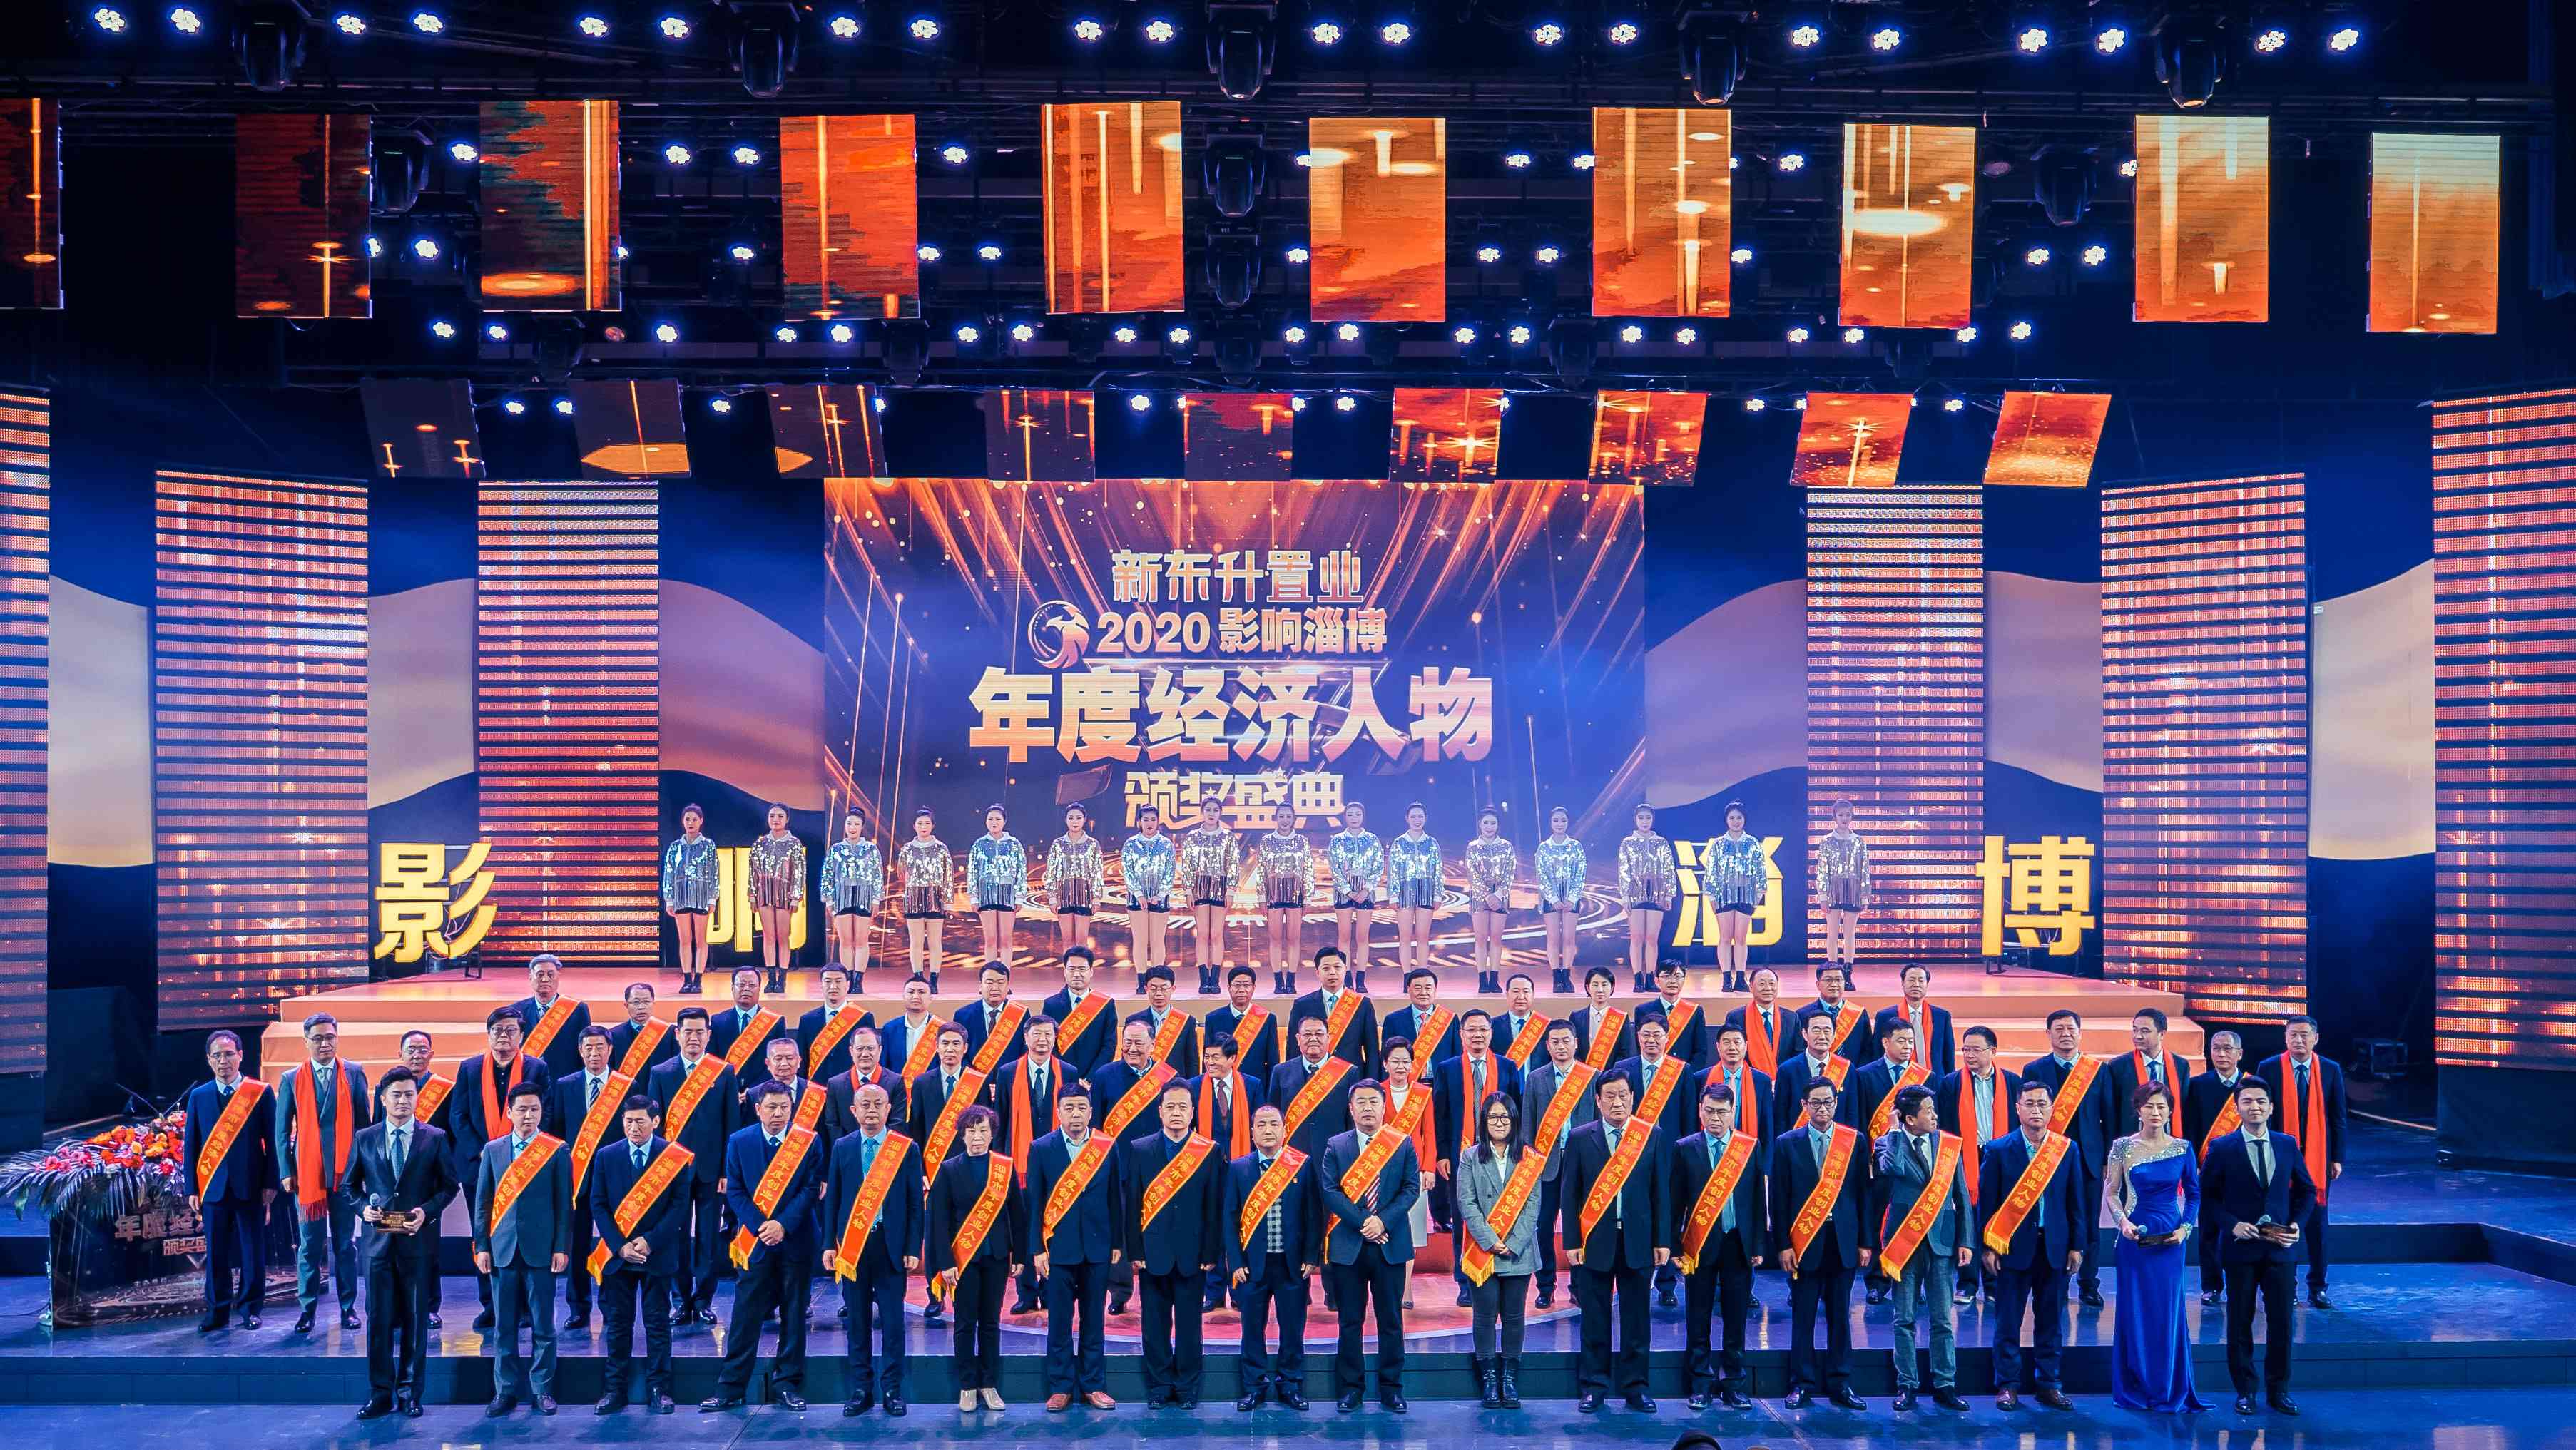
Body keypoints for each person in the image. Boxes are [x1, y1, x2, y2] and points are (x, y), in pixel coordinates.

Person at [344, 1067, 457, 1421]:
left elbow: (449, 1187)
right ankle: (380, 1394)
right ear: (383, 1099)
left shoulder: (434, 1137)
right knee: (378, 1320)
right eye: (396, 1095)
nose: (403, 1100)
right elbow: (349, 1187)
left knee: (415, 1320)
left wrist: (427, 1212)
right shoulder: (364, 1137)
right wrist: (363, 1210)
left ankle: (410, 1393)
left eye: (410, 1094)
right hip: (377, 1246)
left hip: (416, 1244)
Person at [706, 1079, 825, 1412]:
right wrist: (763, 1227)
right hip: (755, 1242)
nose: (778, 1114)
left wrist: (782, 1225)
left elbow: (810, 1189)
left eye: (784, 1107)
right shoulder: (739, 1141)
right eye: (771, 1107)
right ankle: (731, 1387)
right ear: (758, 1109)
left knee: (794, 1315)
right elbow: (735, 1191)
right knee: (745, 1315)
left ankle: (787, 1384)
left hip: (796, 1239)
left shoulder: (808, 1141)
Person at [2202, 1078, 2316, 1417]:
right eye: (2248, 1102)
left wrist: (2296, 1224)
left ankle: (2279, 1391)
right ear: (2237, 1108)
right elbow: (2208, 1197)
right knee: (2240, 1321)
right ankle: (2245, 1391)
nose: (2255, 1107)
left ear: (2271, 1107)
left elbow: (2307, 1191)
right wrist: (2231, 1224)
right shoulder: (2222, 1147)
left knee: (2282, 1322)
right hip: (2241, 1249)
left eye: (2261, 1101)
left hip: (2280, 1248)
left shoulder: (2286, 1144)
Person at [1562, 1072, 1668, 1414]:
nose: (1617, 1102)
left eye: (1623, 1094)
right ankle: (1594, 1386)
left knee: (1637, 1319)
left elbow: (1660, 1192)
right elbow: (1570, 1195)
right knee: (1595, 1317)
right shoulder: (1581, 1138)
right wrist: (1572, 1240)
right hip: (1595, 1241)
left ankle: (1636, 1387)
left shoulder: (1650, 1135)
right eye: (1609, 1095)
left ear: (1633, 1097)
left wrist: (1662, 1239)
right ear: (1598, 1100)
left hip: (1639, 1241)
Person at [1980, 1078, 2083, 1411]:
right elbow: (1988, 1204)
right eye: (2030, 1103)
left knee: (2051, 1319)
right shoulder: (1998, 1150)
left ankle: (2049, 1384)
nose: (2036, 1110)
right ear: (2017, 1108)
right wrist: (1988, 1246)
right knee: (2008, 1320)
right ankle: (2007, 1385)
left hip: (2054, 1248)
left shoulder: (2066, 1149)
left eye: (2042, 1103)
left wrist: (2077, 1245)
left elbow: (2075, 1202)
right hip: (2012, 1249)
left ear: (2052, 1109)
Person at [2104, 1081, 2206, 1413]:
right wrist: (2123, 1222)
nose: (2156, 1112)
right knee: (2135, 1310)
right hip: (2134, 1240)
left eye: (2162, 1106)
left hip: (2171, 1241)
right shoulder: (2122, 1147)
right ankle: (2136, 1386)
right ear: (2138, 1110)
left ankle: (2167, 1386)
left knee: (2167, 1311)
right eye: (2149, 1106)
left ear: (2170, 1111)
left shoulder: (2183, 1148)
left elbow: (2194, 1194)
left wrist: (2186, 1229)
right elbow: (2111, 1192)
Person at [1321, 1079, 1420, 1414]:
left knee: (1390, 1320)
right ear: (1351, 1109)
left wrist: (1382, 1222)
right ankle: (1351, 1389)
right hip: (1350, 1245)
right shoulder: (1336, 1145)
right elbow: (1330, 1191)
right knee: (1350, 1321)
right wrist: (1365, 1222)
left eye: (1373, 1101)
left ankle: (1392, 1389)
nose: (1367, 1108)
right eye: (1360, 1102)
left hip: (1390, 1244)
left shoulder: (1401, 1143)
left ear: (1383, 1106)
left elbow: (1411, 1188)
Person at [587, 1094, 689, 1416]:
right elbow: (598, 1204)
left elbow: (679, 1206)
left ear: (655, 1122)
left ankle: (660, 1389)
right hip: (619, 1257)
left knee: (657, 1324)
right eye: (628, 1121)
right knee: (618, 1324)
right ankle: (614, 1389)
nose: (634, 1128)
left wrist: (650, 1241)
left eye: (640, 1122)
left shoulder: (672, 1157)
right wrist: (621, 1246)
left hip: (656, 1254)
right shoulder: (607, 1156)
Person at [823, 1081, 920, 1418]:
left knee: (893, 1324)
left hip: (891, 1247)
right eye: (865, 1105)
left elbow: (914, 1203)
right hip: (853, 1249)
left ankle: (892, 1389)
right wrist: (829, 1244)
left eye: (879, 1104)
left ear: (889, 1109)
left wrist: (912, 1246)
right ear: (854, 1111)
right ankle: (861, 1389)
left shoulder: (904, 1148)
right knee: (858, 1322)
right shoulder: (842, 1147)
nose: (872, 1110)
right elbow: (833, 1200)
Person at [1873, 1084, 1972, 1411]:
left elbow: (1961, 1196)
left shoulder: (1948, 1145)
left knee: (1942, 1319)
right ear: (1909, 1119)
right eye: (1928, 1110)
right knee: (1904, 1319)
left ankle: (1945, 1384)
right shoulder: (1887, 1143)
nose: (1934, 1115)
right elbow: (1893, 1168)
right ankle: (1907, 1385)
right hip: (1904, 1244)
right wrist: (1894, 1132)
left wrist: (1966, 1240)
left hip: (1941, 1242)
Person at [474, 1081, 570, 1416]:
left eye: (535, 1109)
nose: (528, 1116)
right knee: (504, 1327)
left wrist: (561, 1247)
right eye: (522, 1110)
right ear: (510, 1112)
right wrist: (481, 1246)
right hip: (501, 1251)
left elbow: (564, 1204)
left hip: (542, 1251)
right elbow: (483, 1203)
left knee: (544, 1325)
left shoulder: (556, 1150)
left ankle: (542, 1389)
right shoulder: (493, 1150)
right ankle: (505, 1391)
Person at [1126, 1081, 1223, 1409]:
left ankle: (1186, 1387)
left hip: (1193, 1254)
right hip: (1152, 1253)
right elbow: (1133, 1203)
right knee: (1154, 1324)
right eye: (1170, 1106)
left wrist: (1211, 1251)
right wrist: (1135, 1250)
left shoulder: (1208, 1151)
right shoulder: (1140, 1149)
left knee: (1189, 1325)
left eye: (1183, 1106)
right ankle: (1159, 1386)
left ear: (1193, 1112)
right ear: (1160, 1111)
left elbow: (1214, 1206)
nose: (1177, 1113)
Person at [1772, 1078, 1869, 1410]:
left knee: (1841, 1316)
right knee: (1804, 1317)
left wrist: (1865, 1241)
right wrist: (1783, 1244)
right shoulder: (1787, 1144)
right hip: (1804, 1243)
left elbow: (1863, 1195)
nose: (1823, 1109)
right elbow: (1779, 1199)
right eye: (1816, 1103)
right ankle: (1801, 1383)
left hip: (1843, 1242)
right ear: (1804, 1106)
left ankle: (1841, 1382)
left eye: (1828, 1102)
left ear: (1836, 1103)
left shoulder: (1853, 1141)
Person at [1028, 1078, 1124, 1412]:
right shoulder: (1042, 1148)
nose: (1076, 1114)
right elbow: (1035, 1203)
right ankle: (1060, 1387)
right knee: (1059, 1321)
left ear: (1091, 1111)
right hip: (1058, 1250)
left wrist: (1117, 1242)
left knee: (1093, 1320)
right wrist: (1037, 1249)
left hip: (1097, 1247)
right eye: (1069, 1108)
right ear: (1058, 1113)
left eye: (1082, 1108)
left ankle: (1093, 1385)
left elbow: (1116, 1198)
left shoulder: (1106, 1146)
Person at [275, 1010, 372, 1334]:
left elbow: (364, 1127)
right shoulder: (291, 1078)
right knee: (310, 1247)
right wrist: (286, 1170)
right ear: (306, 1042)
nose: (325, 1043)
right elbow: (281, 1132)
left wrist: (364, 1170)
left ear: (337, 1038)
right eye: (317, 1038)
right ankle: (307, 1310)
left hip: (346, 1176)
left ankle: (348, 1309)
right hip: (308, 1176)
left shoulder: (355, 1073)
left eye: (330, 1037)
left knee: (345, 1245)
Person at [1673, 1082, 1765, 1411]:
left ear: (1733, 1112)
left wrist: (1758, 1243)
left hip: (1738, 1243)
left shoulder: (1748, 1147)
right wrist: (1674, 1248)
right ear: (1700, 1111)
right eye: (1709, 1111)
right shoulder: (1685, 1148)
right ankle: (1700, 1383)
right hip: (1698, 1245)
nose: (1715, 1118)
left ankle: (1733, 1383)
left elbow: (1757, 1200)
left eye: (1722, 1112)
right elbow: (1675, 1202)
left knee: (1736, 1317)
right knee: (1697, 1316)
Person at [646, 1006, 740, 1327]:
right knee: (676, 1234)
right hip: (673, 1171)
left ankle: (704, 1300)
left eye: (700, 1032)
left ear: (709, 1035)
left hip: (712, 1170)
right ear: (677, 1034)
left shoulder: (723, 1072)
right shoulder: (661, 1072)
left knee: (707, 1237)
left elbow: (731, 1123)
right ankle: (681, 1300)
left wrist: (728, 1170)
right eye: (688, 1032)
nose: (694, 1038)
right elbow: (655, 1127)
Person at [1226, 1103, 1321, 1412]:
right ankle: (1254, 1387)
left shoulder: (1301, 1165)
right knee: (1252, 1328)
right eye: (1261, 1125)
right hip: (1252, 1266)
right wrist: (1236, 1262)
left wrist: (1311, 1255)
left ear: (1285, 1130)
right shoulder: (1239, 1168)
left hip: (1291, 1264)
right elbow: (1229, 1219)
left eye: (1274, 1125)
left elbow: (1313, 1214)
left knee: (1292, 1327)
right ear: (1252, 1132)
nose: (1268, 1131)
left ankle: (1290, 1384)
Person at [925, 1104, 1020, 1412]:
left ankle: (989, 1384)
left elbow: (1017, 1214)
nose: (977, 1137)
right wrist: (945, 1262)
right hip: (962, 1260)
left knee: (991, 1323)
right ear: (962, 1135)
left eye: (983, 1131)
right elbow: (938, 1221)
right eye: (971, 1131)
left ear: (992, 1135)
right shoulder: (949, 1169)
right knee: (965, 1324)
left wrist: (1019, 1254)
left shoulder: (1004, 1167)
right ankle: (967, 1386)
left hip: (996, 1256)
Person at [181, 1029, 275, 1333]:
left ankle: (251, 1309)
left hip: (251, 1186)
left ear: (241, 1055)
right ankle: (217, 1312)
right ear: (209, 1060)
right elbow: (192, 1144)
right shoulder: (199, 1096)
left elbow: (273, 1141)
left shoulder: (259, 1093)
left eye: (229, 1054)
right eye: (217, 1056)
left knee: (252, 1252)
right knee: (216, 1253)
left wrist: (271, 1182)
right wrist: (192, 1187)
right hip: (213, 1188)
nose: (224, 1061)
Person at [2020, 1009, 2113, 1306]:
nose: (2066, 1034)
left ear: (2080, 1033)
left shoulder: (2097, 1070)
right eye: (2059, 1029)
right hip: (2048, 1158)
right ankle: (2055, 1281)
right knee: (2055, 1221)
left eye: (2071, 1029)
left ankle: (2088, 1283)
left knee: (2089, 1223)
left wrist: (2108, 1158)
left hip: (2088, 1160)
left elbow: (2109, 1117)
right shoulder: (2034, 1069)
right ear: (2048, 1034)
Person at [1454, 1091, 1537, 1409]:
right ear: (1484, 1121)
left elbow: (1533, 1206)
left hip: (1519, 1252)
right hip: (1482, 1252)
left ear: (1514, 1120)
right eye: (1493, 1117)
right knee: (1485, 1315)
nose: (1499, 1123)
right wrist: (1491, 1240)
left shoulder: (1529, 1158)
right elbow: (1467, 1203)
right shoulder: (1470, 1157)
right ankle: (1489, 1379)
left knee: (1514, 1316)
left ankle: (1509, 1379)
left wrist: (1513, 1243)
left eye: (1505, 1117)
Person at [1433, 1009, 1522, 1304]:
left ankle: (1499, 1272)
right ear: (1461, 1034)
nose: (1478, 1035)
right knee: (1464, 1217)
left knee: (1499, 1215)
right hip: (1460, 1156)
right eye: (1471, 1030)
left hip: (1501, 1156)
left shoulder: (1507, 1067)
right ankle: (1465, 1282)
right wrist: (1442, 1154)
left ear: (1491, 1033)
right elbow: (1440, 1115)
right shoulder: (1447, 1069)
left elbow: (1517, 1112)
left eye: (1483, 1029)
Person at [2257, 1015, 2346, 1309]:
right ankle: (2287, 1286)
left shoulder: (2330, 1069)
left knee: (2317, 1226)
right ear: (2285, 1038)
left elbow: (2338, 1117)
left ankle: (2318, 1287)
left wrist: (2337, 1158)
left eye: (2304, 1035)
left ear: (2315, 1038)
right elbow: (2262, 1116)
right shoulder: (2269, 1067)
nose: (2298, 1040)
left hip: (2318, 1160)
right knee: (2282, 1224)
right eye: (2293, 1034)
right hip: (2281, 1158)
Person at [546, 1025, 625, 1330]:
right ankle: (578, 1307)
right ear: (580, 1051)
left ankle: (610, 1304)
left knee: (611, 1241)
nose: (594, 1053)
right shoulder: (565, 1085)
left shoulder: (625, 1086)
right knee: (577, 1244)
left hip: (614, 1181)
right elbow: (555, 1133)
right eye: (588, 1048)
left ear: (610, 1050)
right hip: (576, 1179)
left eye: (600, 1047)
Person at [1936, 1025, 2018, 1305]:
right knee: (1967, 1217)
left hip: (2000, 1156)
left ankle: (1994, 1283)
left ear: (1993, 1051)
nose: (1969, 1055)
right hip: (1964, 1155)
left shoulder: (2012, 1082)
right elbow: (1944, 1126)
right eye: (1965, 1049)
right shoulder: (1950, 1084)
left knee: (1997, 1214)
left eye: (1976, 1049)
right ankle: (1968, 1283)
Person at [1521, 1021, 1598, 1309]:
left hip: (1582, 1164)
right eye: (1555, 1041)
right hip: (1547, 1166)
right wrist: (1530, 1163)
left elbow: (1598, 1122)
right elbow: (1528, 1124)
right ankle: (1545, 1286)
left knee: (1580, 1227)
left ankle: (1578, 1287)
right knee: (1543, 1227)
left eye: (1566, 1040)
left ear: (1576, 1043)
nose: (1561, 1046)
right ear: (1547, 1045)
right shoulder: (1536, 1078)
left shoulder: (1591, 1077)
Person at [994, 1014, 1068, 1313]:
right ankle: (1026, 1293)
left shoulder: (1068, 1071)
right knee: (1023, 1225)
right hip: (1018, 1164)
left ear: (1055, 1039)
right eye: (1036, 1034)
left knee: (1053, 1225)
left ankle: (1051, 1290)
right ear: (1025, 1038)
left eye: (1048, 1034)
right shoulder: (1008, 1072)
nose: (1042, 1040)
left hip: (1056, 1165)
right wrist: (1000, 1163)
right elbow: (1000, 1120)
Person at [2183, 1029, 2250, 1303]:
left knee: (2242, 1227)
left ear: (2239, 1053)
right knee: (2209, 1228)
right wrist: (2194, 1165)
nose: (2221, 1054)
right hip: (2208, 1167)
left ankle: (2241, 1282)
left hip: (2245, 1169)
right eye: (2216, 1049)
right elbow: (2191, 1128)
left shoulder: (2252, 1086)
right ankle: (2211, 1285)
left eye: (2227, 1049)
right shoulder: (2198, 1085)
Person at [1377, 1041, 1440, 1309]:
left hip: (1414, 1172)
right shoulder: (1376, 1091)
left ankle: (1406, 1287)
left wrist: (1429, 1167)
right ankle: (1386, 1286)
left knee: (1411, 1231)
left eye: (1406, 1061)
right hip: (1381, 1171)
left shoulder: (1422, 1094)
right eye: (1395, 1061)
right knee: (1385, 1227)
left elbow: (1430, 1133)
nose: (1401, 1066)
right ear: (1385, 1064)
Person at [1269, 1015, 1356, 1165]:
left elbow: (1352, 1120)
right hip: (1292, 1156)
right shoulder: (1281, 1071)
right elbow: (1273, 1114)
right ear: (1298, 1038)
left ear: (1328, 1038)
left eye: (1319, 1034)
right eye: (1307, 1034)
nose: (1313, 1039)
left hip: (1334, 1154)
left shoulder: (1348, 1072)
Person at [1288, 944, 1380, 1076]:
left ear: (1345, 970)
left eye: (1337, 967)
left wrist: (1371, 1083)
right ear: (1318, 972)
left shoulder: (1362, 1004)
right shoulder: (1302, 1005)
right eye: (1326, 968)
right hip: (1314, 1079)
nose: (1332, 972)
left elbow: (1372, 1051)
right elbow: (1293, 1049)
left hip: (1352, 1077)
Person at [1615, 803, 1679, 991]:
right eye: (1641, 818)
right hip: (1635, 894)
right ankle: (1638, 978)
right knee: (1637, 937)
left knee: (1652, 938)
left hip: (1657, 894)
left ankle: (1651, 978)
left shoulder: (1662, 843)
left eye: (1648, 818)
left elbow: (1669, 869)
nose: (1644, 821)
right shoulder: (1628, 843)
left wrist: (1669, 894)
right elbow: (1623, 870)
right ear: (1635, 820)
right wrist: (1625, 895)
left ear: (1653, 820)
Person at [1702, 800, 1765, 989]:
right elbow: (1711, 871)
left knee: (1741, 938)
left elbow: (1761, 870)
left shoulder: (1753, 843)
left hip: (1746, 896)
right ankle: (1726, 978)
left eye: (1739, 817)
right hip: (1723, 896)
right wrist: (1711, 896)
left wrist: (1759, 894)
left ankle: (1740, 978)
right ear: (1726, 820)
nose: (1736, 821)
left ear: (1745, 819)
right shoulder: (1718, 844)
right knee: (1725, 937)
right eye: (1732, 818)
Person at [1256, 802, 1316, 994]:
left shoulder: (1302, 841)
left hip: (1295, 893)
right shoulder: (1266, 841)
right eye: (1281, 816)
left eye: (1288, 816)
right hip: (1273, 894)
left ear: (1294, 819)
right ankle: (1278, 982)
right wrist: (1261, 896)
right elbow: (1261, 869)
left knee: (1293, 938)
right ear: (1276, 818)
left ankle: (1290, 981)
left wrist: (1308, 897)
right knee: (1275, 939)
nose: (1285, 820)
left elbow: (1308, 869)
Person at [747, 804, 808, 993]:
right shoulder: (760, 844)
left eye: (780, 816)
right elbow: (752, 871)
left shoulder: (794, 843)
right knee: (768, 936)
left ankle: (782, 979)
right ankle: (771, 978)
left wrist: (796, 896)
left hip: (784, 894)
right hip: (764, 892)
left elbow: (799, 872)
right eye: (772, 815)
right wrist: (752, 895)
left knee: (783, 936)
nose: (776, 819)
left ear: (787, 819)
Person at [819, 811, 885, 981]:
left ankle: (858, 982)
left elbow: (878, 875)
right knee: (846, 941)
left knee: (862, 941)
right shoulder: (836, 849)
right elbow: (827, 875)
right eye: (849, 823)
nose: (852, 827)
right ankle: (847, 980)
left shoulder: (871, 849)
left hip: (864, 897)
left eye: (857, 824)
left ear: (862, 826)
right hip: (842, 898)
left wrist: (876, 899)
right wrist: (829, 900)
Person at [1327, 801, 1387, 988]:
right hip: (1343, 893)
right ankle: (1346, 979)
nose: (1354, 818)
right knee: (1344, 937)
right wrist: (1348, 891)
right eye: (1350, 814)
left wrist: (1366, 889)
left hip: (1366, 894)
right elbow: (1334, 868)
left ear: (1363, 817)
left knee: (1362, 938)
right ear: (1345, 817)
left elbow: (1378, 866)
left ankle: (1360, 980)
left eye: (1358, 814)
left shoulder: (1372, 840)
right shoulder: (1337, 840)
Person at [2108, 1007, 2193, 1137]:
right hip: (2132, 1141)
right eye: (2135, 1030)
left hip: (2170, 1140)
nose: (2138, 1036)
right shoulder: (2118, 1066)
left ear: (2162, 1034)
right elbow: (2112, 1112)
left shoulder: (2181, 1065)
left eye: (2145, 1031)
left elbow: (2185, 1108)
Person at [1121, 805, 1182, 987]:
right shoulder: (1131, 844)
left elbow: (1170, 871)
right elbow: (1128, 871)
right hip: (1136, 899)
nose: (1149, 823)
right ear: (1139, 822)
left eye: (1153, 820)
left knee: (1157, 941)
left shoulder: (1166, 844)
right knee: (1140, 941)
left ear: (1158, 822)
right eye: (1145, 819)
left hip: (1160, 899)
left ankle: (1157, 981)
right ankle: (1142, 981)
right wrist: (1138, 894)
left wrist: (1160, 894)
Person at [1178, 811, 1241, 990]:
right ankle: (1204, 980)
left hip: (1221, 886)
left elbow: (1234, 864)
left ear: (1220, 813)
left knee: (1216, 934)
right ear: (1202, 813)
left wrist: (1230, 890)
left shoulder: (1228, 837)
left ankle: (1215, 980)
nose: (1212, 814)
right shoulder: (1192, 837)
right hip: (1200, 886)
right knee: (1203, 934)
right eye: (1208, 810)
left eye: (1215, 810)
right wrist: (1188, 890)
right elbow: (1187, 865)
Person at [663, 803, 721, 993]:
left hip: (702, 896)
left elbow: (714, 872)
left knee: (701, 940)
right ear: (682, 821)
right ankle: (687, 979)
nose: (691, 823)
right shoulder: (675, 847)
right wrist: (669, 899)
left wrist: (712, 898)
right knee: (685, 940)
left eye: (695, 819)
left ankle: (698, 980)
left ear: (701, 821)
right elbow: (669, 873)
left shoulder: (708, 845)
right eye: (687, 819)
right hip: (681, 897)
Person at [1771, 1010, 1850, 1148]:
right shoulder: (1787, 1070)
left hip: (1838, 1147)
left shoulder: (1847, 1069)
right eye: (1816, 1030)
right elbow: (1781, 1116)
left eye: (1827, 1031)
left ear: (1834, 1035)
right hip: (1797, 1146)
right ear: (1805, 1034)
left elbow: (1852, 1113)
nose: (1822, 1036)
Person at [509, 954, 594, 1078]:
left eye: (550, 974)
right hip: (528, 1078)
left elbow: (584, 1048)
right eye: (540, 974)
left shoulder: (577, 1010)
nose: (545, 979)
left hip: (564, 1079)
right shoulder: (517, 1010)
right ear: (530, 978)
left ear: (558, 977)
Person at [896, 808, 955, 986]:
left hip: (935, 897)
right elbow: (901, 874)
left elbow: (948, 876)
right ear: (914, 826)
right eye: (920, 823)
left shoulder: (941, 848)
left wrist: (948, 901)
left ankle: (934, 979)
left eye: (927, 823)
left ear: (933, 826)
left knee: (935, 941)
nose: (924, 826)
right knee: (916, 941)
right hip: (914, 897)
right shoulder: (907, 849)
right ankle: (919, 977)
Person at [1384, 803, 1440, 986]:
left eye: (1420, 816)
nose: (1417, 820)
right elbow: (1392, 870)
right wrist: (1393, 895)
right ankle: (1407, 977)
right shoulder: (1399, 843)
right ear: (1407, 819)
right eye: (1413, 817)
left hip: (1427, 892)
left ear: (1426, 818)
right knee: (1405, 937)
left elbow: (1438, 870)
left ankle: (1422, 977)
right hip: (1404, 893)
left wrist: (1438, 894)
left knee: (1423, 937)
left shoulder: (1431, 843)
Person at [1532, 805, 1586, 994]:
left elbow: (1580, 873)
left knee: (1569, 938)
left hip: (1572, 899)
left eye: (1563, 820)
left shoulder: (1576, 846)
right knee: (1553, 938)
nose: (1560, 824)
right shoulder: (1544, 848)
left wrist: (1572, 897)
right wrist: (1553, 898)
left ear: (1568, 822)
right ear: (1550, 823)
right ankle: (1556, 977)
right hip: (1550, 899)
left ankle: (1567, 975)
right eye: (1556, 820)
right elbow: (1541, 875)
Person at [1042, 944, 1119, 1075]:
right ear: (1065, 971)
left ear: (1091, 971)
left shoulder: (1106, 1005)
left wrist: (1090, 1078)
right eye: (1072, 969)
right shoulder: (1051, 1005)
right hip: (1062, 1077)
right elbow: (1049, 1044)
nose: (1077, 974)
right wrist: (1067, 1075)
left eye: (1082, 969)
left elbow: (1109, 1046)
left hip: (1094, 1079)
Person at [1462, 806, 1515, 994]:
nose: (1489, 827)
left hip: (1500, 897)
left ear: (1498, 825)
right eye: (1486, 823)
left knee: (1496, 938)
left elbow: (1510, 873)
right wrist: (1487, 895)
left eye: (1493, 823)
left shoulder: (1507, 847)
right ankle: (1482, 979)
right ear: (1480, 824)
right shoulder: (1472, 847)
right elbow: (1472, 874)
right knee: (1481, 937)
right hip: (1479, 896)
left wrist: (1498, 895)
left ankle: (1494, 979)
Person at [1696, 1021, 1774, 1148]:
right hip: (1707, 1150)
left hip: (1747, 1151)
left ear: (1746, 1046)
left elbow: (1767, 1127)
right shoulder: (1700, 1079)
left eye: (1737, 1042)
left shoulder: (1762, 1081)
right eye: (1726, 1042)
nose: (1732, 1047)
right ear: (1718, 1047)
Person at [967, 804, 1027, 969]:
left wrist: (1019, 897)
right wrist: (974, 897)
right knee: (990, 940)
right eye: (991, 819)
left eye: (998, 819)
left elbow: (1021, 871)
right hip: (985, 896)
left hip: (1008, 895)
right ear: (986, 821)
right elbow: (972, 872)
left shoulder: (1014, 844)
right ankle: (990, 976)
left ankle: (1005, 976)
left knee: (1006, 940)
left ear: (1004, 821)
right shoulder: (979, 844)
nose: (994, 822)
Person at [1045, 802, 1106, 959]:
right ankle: (1068, 973)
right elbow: (1051, 872)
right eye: (1071, 818)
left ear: (1085, 819)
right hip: (1063, 896)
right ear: (1066, 820)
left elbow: (1097, 872)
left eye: (1078, 818)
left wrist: (1096, 897)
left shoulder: (1093, 844)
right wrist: (1052, 897)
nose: (1075, 821)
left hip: (1085, 896)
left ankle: (1083, 972)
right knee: (1067, 940)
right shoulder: (1058, 844)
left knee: (1081, 940)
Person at [1873, 964, 1955, 1079]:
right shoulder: (1885, 1016)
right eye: (1911, 980)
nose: (1916, 984)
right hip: (1897, 1081)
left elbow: (1948, 1055)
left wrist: (1949, 1083)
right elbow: (1877, 1053)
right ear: (1902, 984)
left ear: (1927, 985)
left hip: (1934, 1081)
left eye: (1921, 981)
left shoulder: (1942, 1016)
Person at [1206, 962, 1283, 1086]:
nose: (1242, 990)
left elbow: (1273, 1061)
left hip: (1256, 1086)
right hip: (1223, 1086)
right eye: (1237, 985)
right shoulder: (1213, 1019)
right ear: (1229, 987)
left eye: (1246, 985)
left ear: (1254, 987)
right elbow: (1207, 1060)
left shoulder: (1268, 1019)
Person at [798, 962, 875, 1083]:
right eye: (828, 981)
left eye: (838, 981)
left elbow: (871, 1056)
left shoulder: (863, 1018)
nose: (833, 986)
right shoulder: (807, 1020)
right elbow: (802, 1060)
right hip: (817, 1087)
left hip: (851, 1085)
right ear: (821, 985)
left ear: (848, 985)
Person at [709, 967, 790, 1073]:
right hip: (728, 1082)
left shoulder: (775, 1022)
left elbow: (779, 1059)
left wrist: (760, 1085)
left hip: (764, 1083)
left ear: (759, 989)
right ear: (733, 988)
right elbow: (712, 1060)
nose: (746, 989)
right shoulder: (718, 1021)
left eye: (751, 985)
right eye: (741, 985)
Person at [958, 960, 1029, 1076]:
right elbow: (960, 1053)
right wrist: (976, 1078)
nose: (995, 988)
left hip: (1011, 1079)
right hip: (975, 1082)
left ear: (1008, 987)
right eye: (989, 982)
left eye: (1001, 982)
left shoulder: (1021, 1014)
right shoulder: (963, 1015)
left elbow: (1025, 1050)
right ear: (980, 986)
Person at [1795, 963, 1875, 1066]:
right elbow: (1800, 1050)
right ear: (1818, 985)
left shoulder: (1859, 1013)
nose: (1834, 984)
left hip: (1852, 1072)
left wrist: (1857, 1073)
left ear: (1844, 983)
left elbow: (1867, 1050)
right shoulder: (1803, 1014)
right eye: (1828, 980)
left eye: (1838, 980)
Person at [1383, 966, 1459, 1072]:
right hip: (1407, 1080)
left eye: (1428, 988)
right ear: (1408, 990)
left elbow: (1457, 1057)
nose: (1423, 993)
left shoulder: (1450, 1019)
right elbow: (1386, 1057)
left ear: (1435, 990)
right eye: (1418, 988)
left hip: (1442, 1080)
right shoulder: (1393, 1020)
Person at [1640, 959, 1711, 1073]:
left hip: (1686, 1074)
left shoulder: (1695, 1012)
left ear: (1684, 980)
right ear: (1657, 980)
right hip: (1654, 1074)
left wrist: (1689, 1075)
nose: (1672, 981)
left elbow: (1701, 1050)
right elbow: (1641, 1047)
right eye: (1667, 976)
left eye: (1677, 976)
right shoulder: (1643, 1011)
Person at [1126, 964, 1201, 1071]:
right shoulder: (1134, 1021)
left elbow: (1192, 1062)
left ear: (1173, 989)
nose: (1158, 994)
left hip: (1176, 1080)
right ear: (1146, 989)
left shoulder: (1186, 1022)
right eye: (1153, 989)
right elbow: (1128, 1059)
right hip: (1143, 1080)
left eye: (1164, 989)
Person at [607, 980, 678, 1077]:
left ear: (653, 1003)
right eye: (636, 1002)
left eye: (646, 1002)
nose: (641, 1007)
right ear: (626, 1005)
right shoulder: (614, 1035)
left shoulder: (669, 1033)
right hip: (628, 1086)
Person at [1569, 964, 1634, 1070]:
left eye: (1604, 985)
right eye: (1595, 985)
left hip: (1612, 1076)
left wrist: (1612, 1074)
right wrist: (1585, 1073)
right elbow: (1573, 1050)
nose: (1600, 990)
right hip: (1583, 1075)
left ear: (1612, 988)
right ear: (1588, 988)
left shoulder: (1621, 1018)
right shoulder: (1576, 1017)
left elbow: (1625, 1053)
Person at [1492, 972, 1550, 1071]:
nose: (1521, 996)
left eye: (1526, 991)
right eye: (1516, 991)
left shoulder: (1547, 1027)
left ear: (1533, 995)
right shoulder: (1493, 1026)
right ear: (1507, 995)